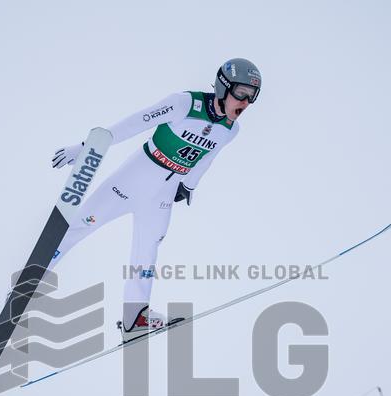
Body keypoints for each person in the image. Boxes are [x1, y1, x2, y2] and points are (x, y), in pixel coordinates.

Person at [50, 58, 262, 342]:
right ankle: (30, 282)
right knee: (80, 226)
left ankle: (135, 317)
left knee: (147, 252)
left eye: (252, 97)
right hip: (130, 181)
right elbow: (134, 124)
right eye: (241, 93)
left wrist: (188, 185)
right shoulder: (185, 103)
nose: (245, 102)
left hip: (162, 195)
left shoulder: (230, 130)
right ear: (224, 87)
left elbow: (207, 158)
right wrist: (90, 146)